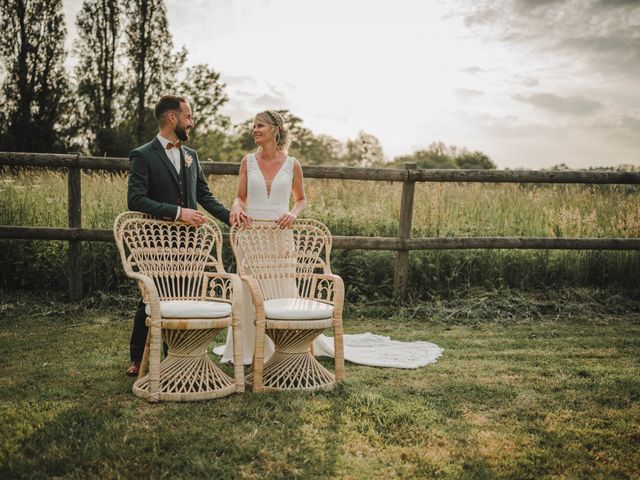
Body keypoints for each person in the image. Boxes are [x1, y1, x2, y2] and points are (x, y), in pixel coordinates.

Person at [214, 110, 443, 369]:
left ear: (275, 130)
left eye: (260, 125)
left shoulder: (292, 164)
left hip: (280, 236)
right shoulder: (248, 161)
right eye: (253, 126)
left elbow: (301, 200)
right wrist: (235, 207)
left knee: (281, 288)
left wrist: (292, 213)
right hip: (252, 236)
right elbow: (239, 197)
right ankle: (247, 349)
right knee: (249, 288)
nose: (254, 130)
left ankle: (286, 343)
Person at [125, 94, 235, 376]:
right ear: (172, 118)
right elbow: (135, 200)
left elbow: (204, 196)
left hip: (189, 243)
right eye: (188, 116)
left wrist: (231, 218)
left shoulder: (191, 156)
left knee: (184, 294)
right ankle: (138, 357)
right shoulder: (143, 155)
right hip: (155, 241)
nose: (192, 122)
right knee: (151, 297)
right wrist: (177, 212)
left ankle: (177, 353)